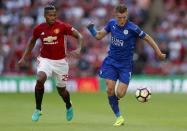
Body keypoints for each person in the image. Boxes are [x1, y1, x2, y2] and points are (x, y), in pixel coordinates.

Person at [87, 4, 166, 127]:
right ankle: (119, 117)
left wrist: (158, 52)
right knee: (109, 89)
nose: (122, 20)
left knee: (120, 93)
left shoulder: (133, 28)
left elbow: (148, 38)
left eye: (124, 17)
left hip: (125, 65)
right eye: (119, 17)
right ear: (115, 16)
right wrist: (91, 29)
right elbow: (98, 36)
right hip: (111, 62)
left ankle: (114, 100)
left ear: (127, 15)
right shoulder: (111, 24)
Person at [18, 5, 83, 122]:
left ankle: (68, 105)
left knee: (61, 90)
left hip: (61, 63)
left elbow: (79, 35)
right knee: (40, 79)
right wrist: (24, 57)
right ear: (44, 16)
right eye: (50, 15)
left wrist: (78, 48)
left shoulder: (62, 26)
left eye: (54, 15)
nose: (53, 17)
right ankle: (38, 109)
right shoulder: (39, 29)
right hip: (45, 60)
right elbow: (32, 42)